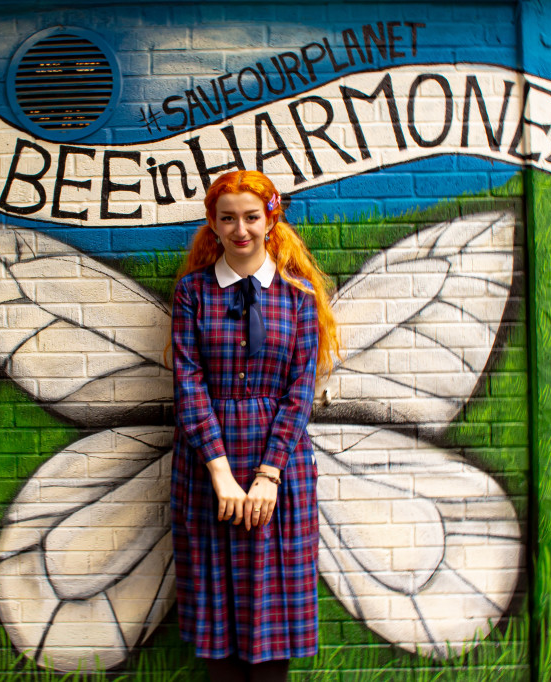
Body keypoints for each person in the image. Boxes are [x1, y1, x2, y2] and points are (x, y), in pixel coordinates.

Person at [170, 170, 339, 682]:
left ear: (271, 218)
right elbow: (188, 382)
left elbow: (299, 392)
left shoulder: (299, 297)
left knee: (273, 626)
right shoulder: (192, 294)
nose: (240, 229)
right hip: (207, 467)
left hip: (278, 471)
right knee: (216, 628)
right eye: (228, 219)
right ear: (212, 223)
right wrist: (221, 474)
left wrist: (268, 475)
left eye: (251, 216)